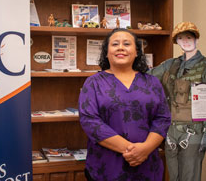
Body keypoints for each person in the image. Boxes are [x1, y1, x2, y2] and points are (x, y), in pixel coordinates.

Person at [78, 28, 171, 181]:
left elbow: (163, 118)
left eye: (127, 44)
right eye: (115, 44)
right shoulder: (93, 82)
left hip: (147, 164)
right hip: (106, 166)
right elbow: (90, 121)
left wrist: (145, 149)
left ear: (136, 52)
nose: (121, 47)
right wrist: (132, 151)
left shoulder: (152, 82)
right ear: (107, 52)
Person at [148, 21, 206, 181]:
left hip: (194, 130)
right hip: (170, 130)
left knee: (190, 176)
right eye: (181, 38)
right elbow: (147, 78)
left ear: (196, 39)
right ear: (177, 42)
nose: (185, 41)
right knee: (173, 176)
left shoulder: (204, 66)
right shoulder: (170, 65)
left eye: (189, 37)